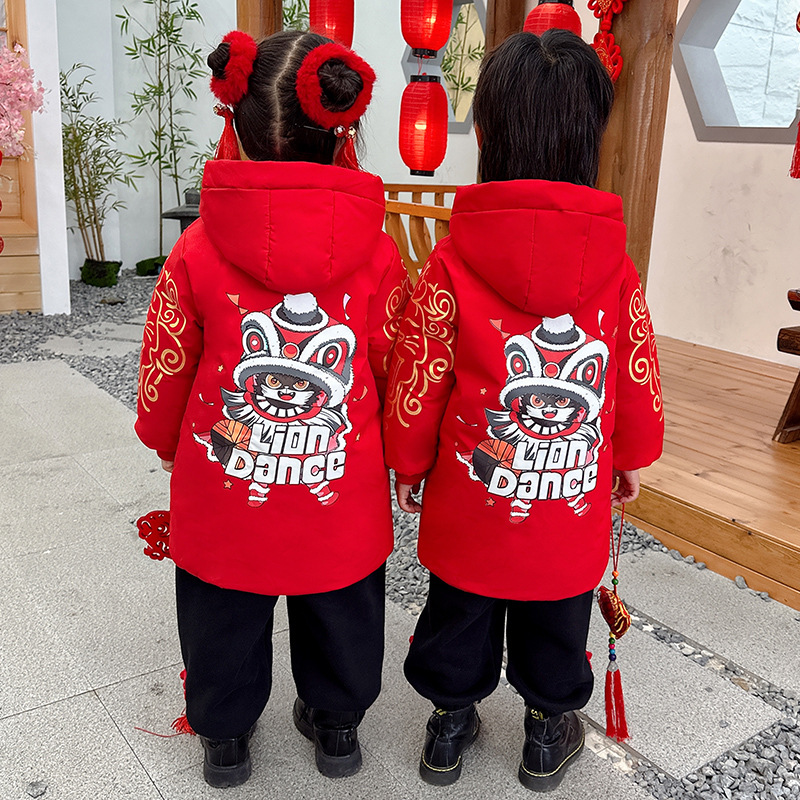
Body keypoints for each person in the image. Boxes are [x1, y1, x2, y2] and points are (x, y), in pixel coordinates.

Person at [383, 29, 664, 792]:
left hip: (471, 493)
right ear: (588, 138)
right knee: (557, 611)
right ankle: (546, 732)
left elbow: (419, 372)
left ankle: (448, 725)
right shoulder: (615, 267)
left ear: (490, 136)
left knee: (459, 609)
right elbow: (633, 373)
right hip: (567, 494)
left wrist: (408, 462)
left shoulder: (452, 258)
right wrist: (628, 455)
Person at [135, 29, 409, 789]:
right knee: (342, 602)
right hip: (337, 477)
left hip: (227, 473)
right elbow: (396, 364)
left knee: (222, 607)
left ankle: (224, 739)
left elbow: (168, 359)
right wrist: (405, 457)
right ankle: (338, 727)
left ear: (239, 122)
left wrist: (166, 438)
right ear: (339, 131)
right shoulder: (378, 249)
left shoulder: (197, 247)